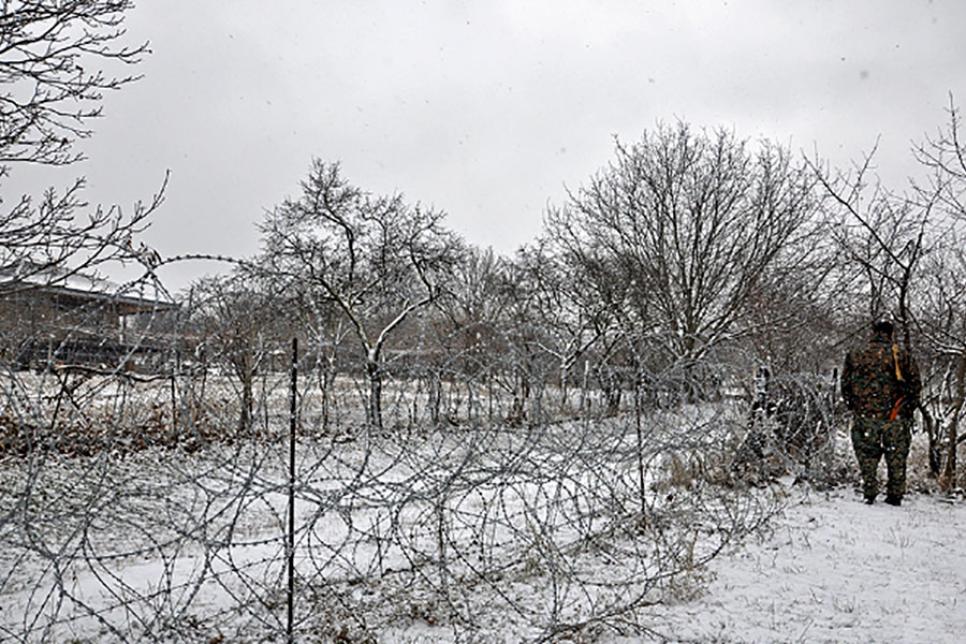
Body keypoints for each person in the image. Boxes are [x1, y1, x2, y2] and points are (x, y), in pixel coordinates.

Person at [841, 319, 921, 505]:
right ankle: (895, 495)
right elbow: (915, 385)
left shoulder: (856, 354)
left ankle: (869, 491)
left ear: (873, 332)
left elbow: (845, 384)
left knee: (867, 455)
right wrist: (907, 409)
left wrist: (854, 406)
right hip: (895, 416)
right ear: (891, 333)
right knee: (897, 457)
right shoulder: (901, 355)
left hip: (865, 416)